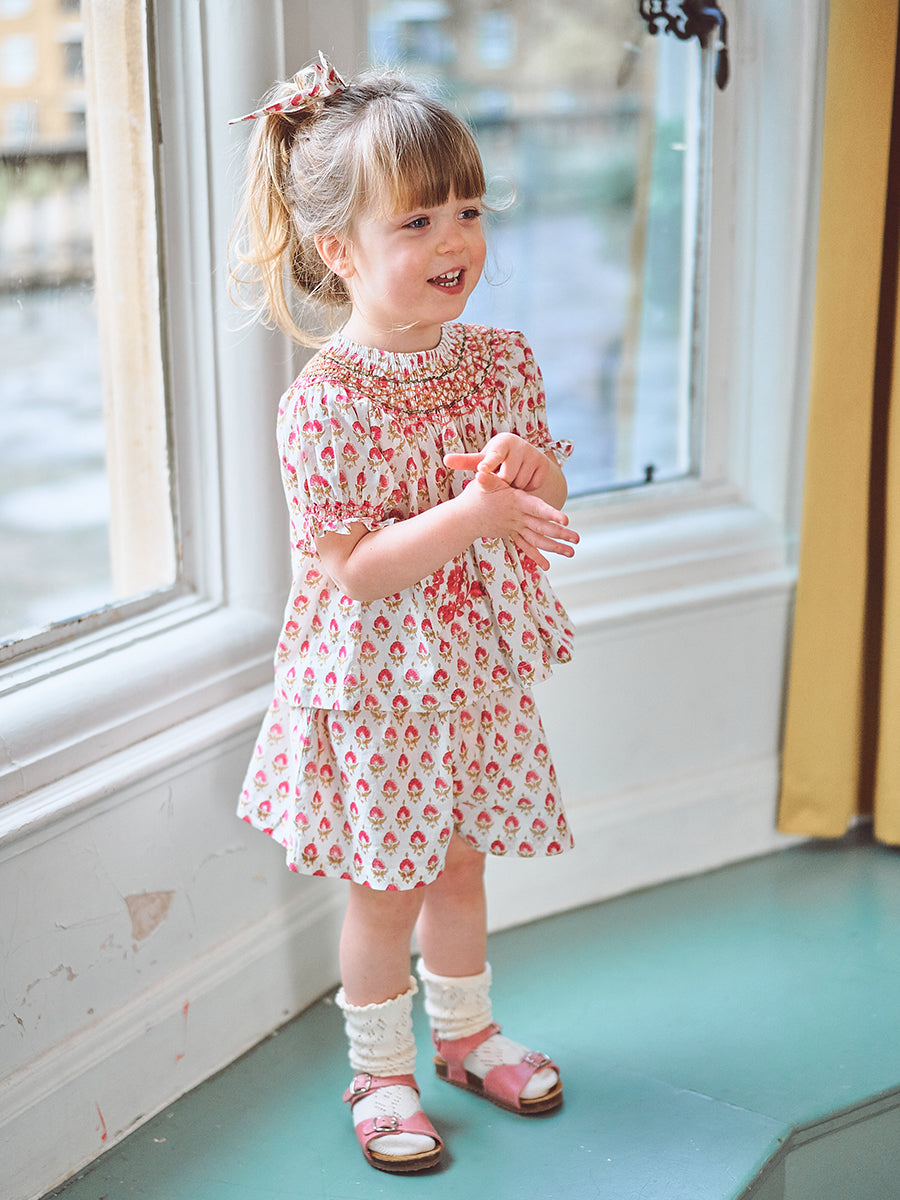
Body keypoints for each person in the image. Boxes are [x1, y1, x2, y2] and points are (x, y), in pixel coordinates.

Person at [230, 52, 579, 1175]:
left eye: (467, 210)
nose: (453, 240)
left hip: (471, 667)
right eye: (417, 221)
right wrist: (474, 513)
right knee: (389, 886)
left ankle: (467, 1038)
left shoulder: (500, 361)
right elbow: (354, 571)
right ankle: (381, 1074)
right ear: (340, 251)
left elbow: (545, 484)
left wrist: (527, 471)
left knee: (462, 863)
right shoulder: (324, 403)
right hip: (378, 682)